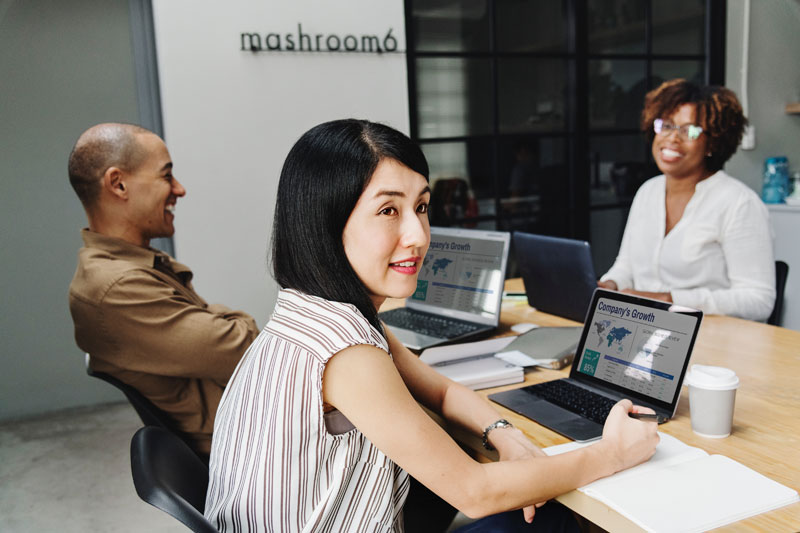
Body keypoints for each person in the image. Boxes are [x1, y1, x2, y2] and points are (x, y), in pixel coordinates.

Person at [204, 119, 659, 532]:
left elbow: (441, 392)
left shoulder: (315, 310)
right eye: (388, 211)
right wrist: (613, 452)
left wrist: (505, 435)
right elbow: (475, 493)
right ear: (326, 223)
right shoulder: (346, 352)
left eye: (421, 207)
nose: (419, 236)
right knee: (554, 519)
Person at [67, 123, 260, 458]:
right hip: (251, 453)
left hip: (252, 427)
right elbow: (245, 349)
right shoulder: (117, 287)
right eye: (166, 176)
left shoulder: (136, 264)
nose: (179, 189)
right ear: (118, 183)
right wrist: (232, 320)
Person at [599, 79, 776, 321]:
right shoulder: (647, 192)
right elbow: (627, 266)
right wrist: (610, 284)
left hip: (712, 339)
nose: (672, 138)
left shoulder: (739, 203)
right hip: (640, 328)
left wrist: (670, 299)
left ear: (712, 142)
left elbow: (758, 300)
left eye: (689, 130)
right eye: (666, 126)